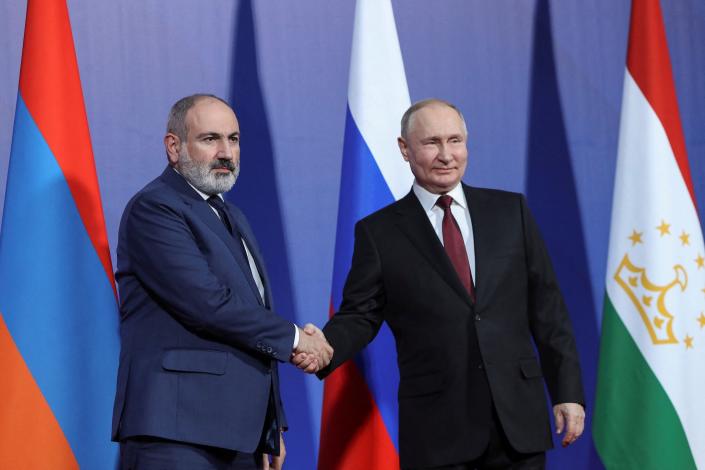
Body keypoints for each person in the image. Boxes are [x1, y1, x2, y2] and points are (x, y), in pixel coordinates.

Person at [296, 99, 585, 469]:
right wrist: (325, 346)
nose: (446, 155)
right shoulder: (380, 232)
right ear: (405, 149)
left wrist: (568, 392)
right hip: (438, 430)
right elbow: (360, 316)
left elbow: (548, 312)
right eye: (432, 142)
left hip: (517, 424)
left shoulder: (510, 212)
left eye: (455, 141)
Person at [111, 94, 332, 470]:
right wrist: (297, 339)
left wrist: (269, 425)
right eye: (210, 139)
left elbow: (250, 319)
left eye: (234, 139)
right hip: (178, 434)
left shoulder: (231, 216)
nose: (226, 152)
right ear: (174, 146)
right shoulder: (155, 208)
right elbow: (207, 304)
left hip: (236, 437)